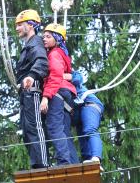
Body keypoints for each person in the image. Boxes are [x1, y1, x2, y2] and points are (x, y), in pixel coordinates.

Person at [15, 9, 50, 169]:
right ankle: (37, 164)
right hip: (26, 92)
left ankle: (42, 164)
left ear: (30, 25)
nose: (17, 28)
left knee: (34, 127)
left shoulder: (35, 42)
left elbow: (42, 62)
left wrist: (32, 76)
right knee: (27, 129)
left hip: (33, 90)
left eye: (20, 25)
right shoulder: (29, 45)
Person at [40, 23, 79, 165]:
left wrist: (45, 97)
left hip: (57, 93)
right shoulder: (62, 55)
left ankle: (64, 162)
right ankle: (73, 163)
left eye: (48, 36)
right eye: (43, 36)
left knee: (54, 127)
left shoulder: (54, 54)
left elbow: (55, 76)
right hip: (66, 95)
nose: (44, 39)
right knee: (64, 132)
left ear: (57, 39)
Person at [65, 71, 104, 165]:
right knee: (82, 138)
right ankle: (88, 161)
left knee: (90, 129)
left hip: (89, 104)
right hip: (77, 111)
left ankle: (96, 157)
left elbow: (78, 78)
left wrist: (64, 76)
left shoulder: (70, 74)